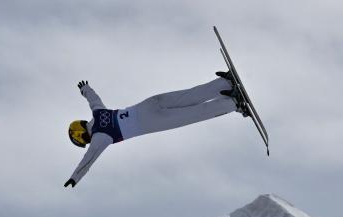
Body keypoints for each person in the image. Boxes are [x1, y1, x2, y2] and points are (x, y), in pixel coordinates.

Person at [65, 72, 246, 187]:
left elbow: (87, 161)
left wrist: (75, 178)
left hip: (150, 121)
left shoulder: (100, 138)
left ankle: (233, 102)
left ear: (81, 136)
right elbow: (93, 99)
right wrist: (85, 89)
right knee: (188, 97)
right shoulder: (98, 113)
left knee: (193, 114)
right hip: (147, 104)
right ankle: (225, 84)